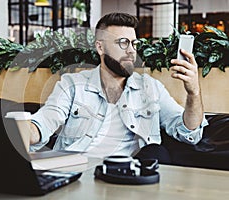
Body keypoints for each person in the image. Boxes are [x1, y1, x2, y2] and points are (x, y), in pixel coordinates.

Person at [27, 12, 208, 163]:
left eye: (134, 43)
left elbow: (188, 132)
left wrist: (194, 92)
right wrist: (23, 131)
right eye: (123, 43)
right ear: (100, 47)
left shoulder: (151, 88)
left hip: (129, 178)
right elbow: (44, 122)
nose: (131, 50)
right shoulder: (72, 85)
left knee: (156, 152)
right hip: (78, 172)